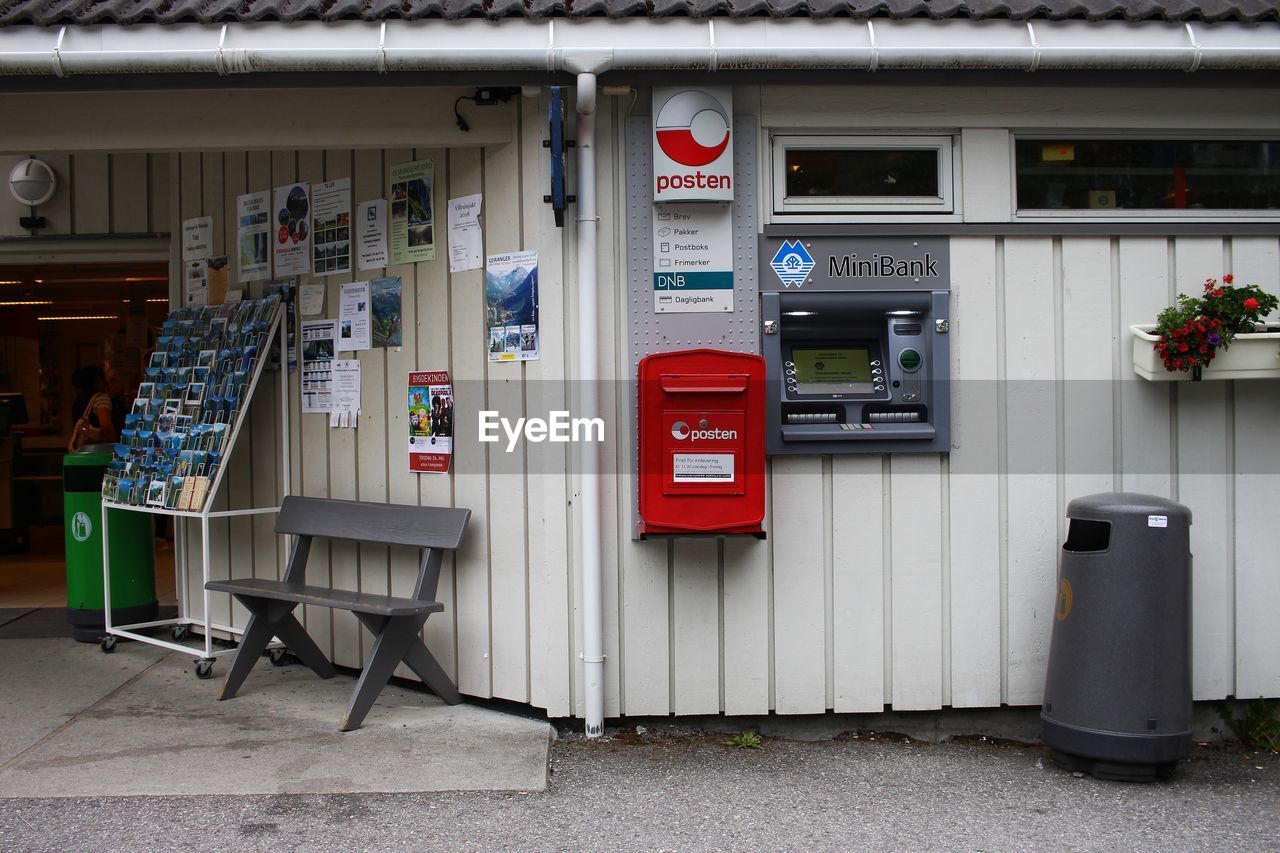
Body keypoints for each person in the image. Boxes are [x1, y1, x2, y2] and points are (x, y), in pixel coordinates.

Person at [69, 365, 117, 445]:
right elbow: (105, 425)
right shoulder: (101, 398)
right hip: (97, 451)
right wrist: (114, 443)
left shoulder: (78, 399)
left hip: (80, 450)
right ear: (99, 380)